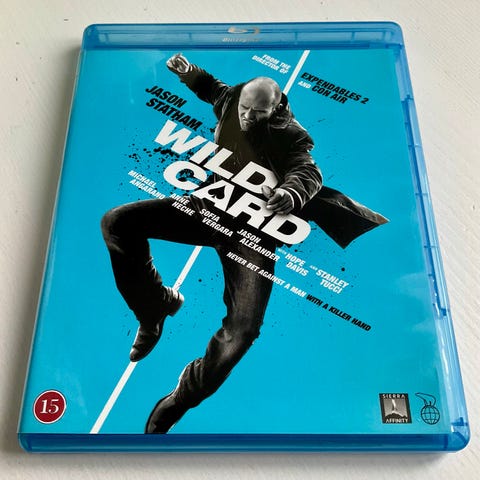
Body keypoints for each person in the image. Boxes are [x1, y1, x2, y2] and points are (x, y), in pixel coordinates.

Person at [101, 54, 387, 434]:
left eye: (259, 112)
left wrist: (291, 192)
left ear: (276, 109)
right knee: (117, 223)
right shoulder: (232, 100)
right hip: (209, 208)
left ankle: (181, 399)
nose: (248, 117)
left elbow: (307, 169)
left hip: (252, 232)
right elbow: (211, 89)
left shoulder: (290, 133)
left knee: (244, 329)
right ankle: (155, 306)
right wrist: (189, 73)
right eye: (245, 110)